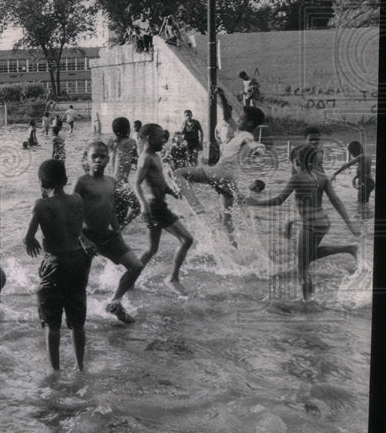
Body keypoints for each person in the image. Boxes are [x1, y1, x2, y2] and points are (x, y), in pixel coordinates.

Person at [246, 145, 360, 301]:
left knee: (302, 267)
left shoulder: (297, 178)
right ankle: (349, 248)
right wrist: (350, 225)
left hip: (310, 225)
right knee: (308, 256)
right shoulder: (322, 177)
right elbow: (337, 201)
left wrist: (256, 202)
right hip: (324, 223)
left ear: (297, 161)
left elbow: (279, 200)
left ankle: (308, 301)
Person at [174, 87, 266, 246]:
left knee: (178, 173)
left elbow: (251, 143)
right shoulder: (240, 132)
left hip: (219, 172)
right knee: (225, 218)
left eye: (242, 119)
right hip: (230, 179)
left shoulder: (246, 136)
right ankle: (233, 247)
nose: (238, 120)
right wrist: (222, 97)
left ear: (249, 122)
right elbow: (227, 116)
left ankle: (197, 208)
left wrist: (258, 148)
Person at [23, 159, 91, 371]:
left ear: (42, 182)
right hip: (78, 260)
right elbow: (78, 227)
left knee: (52, 323)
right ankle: (80, 366)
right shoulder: (77, 199)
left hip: (55, 263)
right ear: (66, 179)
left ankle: (55, 371)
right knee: (77, 321)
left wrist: (32, 241)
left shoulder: (41, 205)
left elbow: (27, 237)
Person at [74, 141, 145, 324]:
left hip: (107, 235)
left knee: (136, 266)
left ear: (108, 159)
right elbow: (72, 212)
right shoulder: (82, 182)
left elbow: (111, 209)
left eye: (102, 156)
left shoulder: (111, 182)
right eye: (94, 156)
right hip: (86, 236)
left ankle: (115, 302)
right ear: (87, 159)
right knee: (80, 281)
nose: (98, 160)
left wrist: (118, 231)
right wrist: (82, 240)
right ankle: (79, 320)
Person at [134, 124, 195, 295]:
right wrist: (143, 204)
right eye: (161, 137)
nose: (164, 140)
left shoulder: (155, 156)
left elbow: (158, 181)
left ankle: (130, 276)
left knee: (151, 249)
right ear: (149, 138)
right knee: (187, 239)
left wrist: (171, 192)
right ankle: (172, 278)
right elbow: (136, 183)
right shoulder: (145, 157)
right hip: (155, 208)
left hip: (159, 206)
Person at [108, 117, 141, 229]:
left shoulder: (110, 142)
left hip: (109, 183)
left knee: (114, 214)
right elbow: (137, 162)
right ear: (128, 130)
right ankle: (120, 228)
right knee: (138, 207)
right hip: (121, 184)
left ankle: (116, 231)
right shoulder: (131, 142)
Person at [332, 140, 374, 206]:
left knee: (361, 204)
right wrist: (355, 177)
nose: (351, 155)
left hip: (364, 183)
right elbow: (366, 171)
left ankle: (362, 215)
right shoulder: (367, 156)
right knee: (365, 203)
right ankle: (367, 215)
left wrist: (335, 174)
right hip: (369, 182)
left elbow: (346, 165)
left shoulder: (361, 157)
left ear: (355, 150)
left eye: (351, 152)